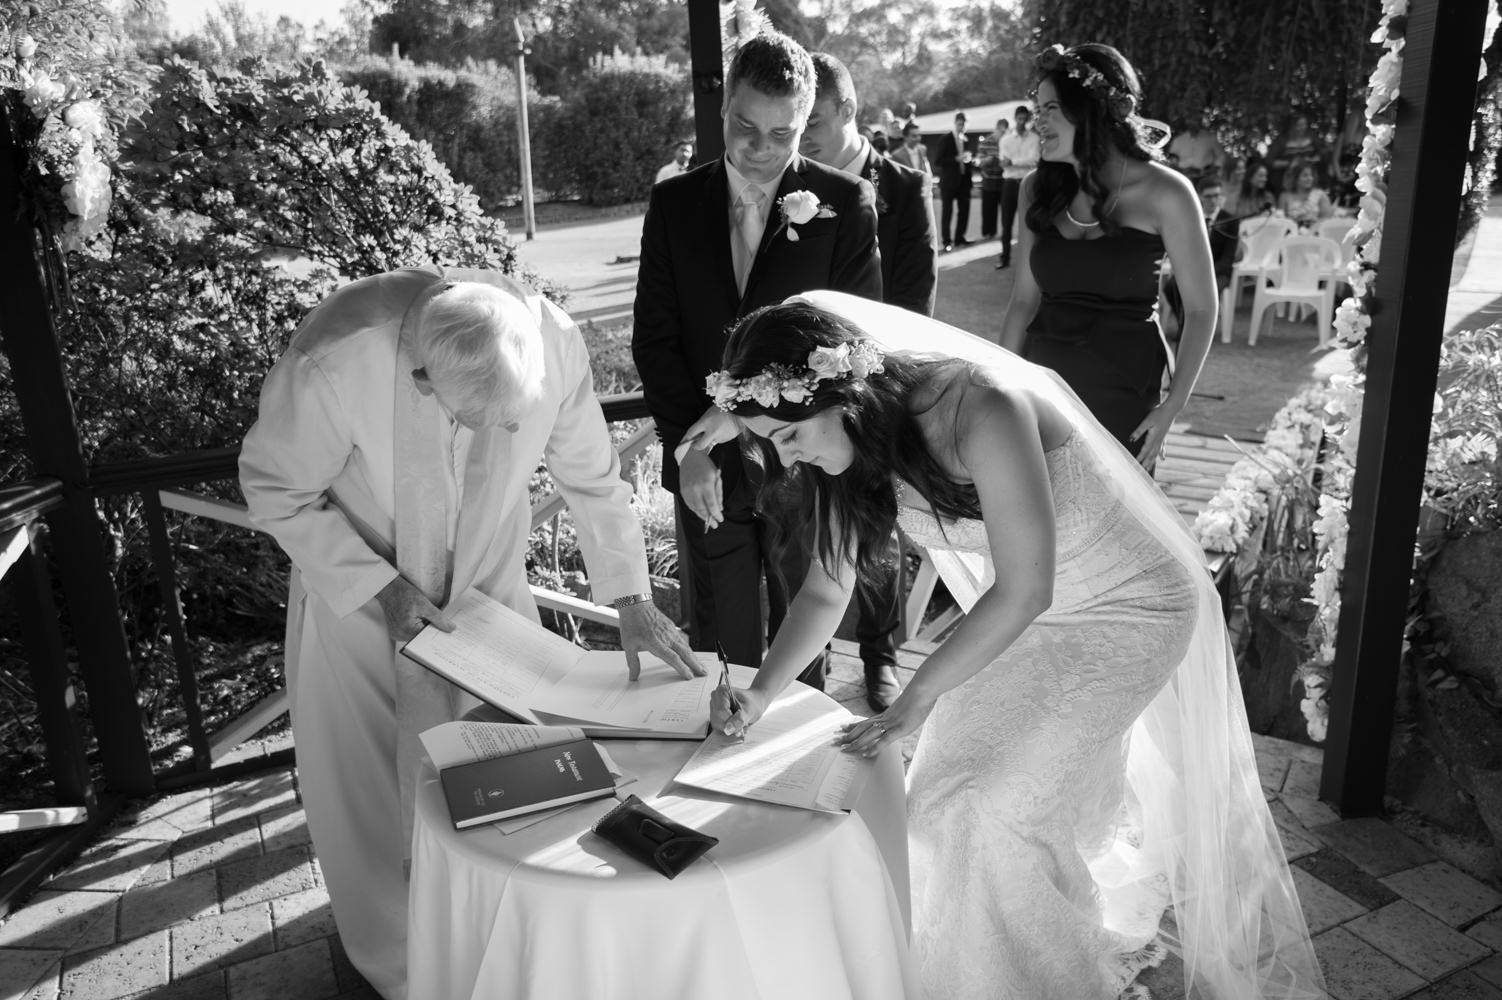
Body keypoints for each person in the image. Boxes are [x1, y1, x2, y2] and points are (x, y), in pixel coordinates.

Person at [681, 291, 1327, 1000]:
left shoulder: (980, 407)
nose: (788, 458)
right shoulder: (847, 448)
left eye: (787, 436)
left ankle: (1056, 981)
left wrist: (919, 698)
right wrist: (762, 693)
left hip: (1130, 607)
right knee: (937, 800)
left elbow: (1026, 588)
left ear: (841, 393)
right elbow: (825, 591)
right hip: (1026, 619)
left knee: (1000, 807)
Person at [240, 267, 702, 999]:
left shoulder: (553, 339)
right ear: (421, 378)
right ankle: (406, 969)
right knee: (371, 795)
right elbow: (273, 486)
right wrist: (382, 587)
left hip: (488, 593)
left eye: (508, 422)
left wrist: (630, 597)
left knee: (508, 775)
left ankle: (506, 948)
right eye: (470, 420)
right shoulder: (338, 355)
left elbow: (591, 476)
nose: (492, 436)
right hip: (359, 594)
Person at [631, 30, 881, 677]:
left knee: (806, 640)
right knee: (717, 637)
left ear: (806, 122)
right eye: (746, 126)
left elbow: (858, 343)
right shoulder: (673, 204)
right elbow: (654, 339)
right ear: (723, 111)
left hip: (804, 459)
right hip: (703, 466)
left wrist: (753, 413)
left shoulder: (844, 206)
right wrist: (689, 450)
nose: (761, 148)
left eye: (783, 133)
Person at [998, 43, 1217, 470]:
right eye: (1037, 108)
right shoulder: (1035, 191)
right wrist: (999, 386)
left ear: (1091, 110)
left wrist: (1173, 405)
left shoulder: (1167, 193)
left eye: (1051, 109)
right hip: (1040, 393)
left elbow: (1202, 307)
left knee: (1113, 529)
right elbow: (1024, 300)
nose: (1038, 121)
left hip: (1123, 397)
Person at [796, 50, 936, 708]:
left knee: (875, 523)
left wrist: (867, 385)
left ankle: (879, 655)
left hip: (875, 385)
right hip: (798, 388)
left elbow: (915, 298)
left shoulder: (904, 189)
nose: (802, 138)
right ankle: (809, 659)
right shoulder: (792, 187)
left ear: (849, 112)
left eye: (814, 122)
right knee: (803, 528)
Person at [995, 104, 1040, 269]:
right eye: (1019, 118)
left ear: (1027, 119)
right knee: (1006, 222)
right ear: (1015, 119)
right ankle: (1004, 257)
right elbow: (1003, 163)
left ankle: (1028, 260)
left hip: (1027, 183)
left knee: (1028, 222)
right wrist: (1016, 163)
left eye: (1024, 119)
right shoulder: (1005, 140)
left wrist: (1013, 162)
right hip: (1010, 183)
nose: (1021, 122)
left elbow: (1034, 161)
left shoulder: (1034, 139)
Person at [935, 111, 974, 251]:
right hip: (949, 182)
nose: (961, 126)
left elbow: (967, 160)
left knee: (964, 211)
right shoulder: (946, 138)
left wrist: (971, 161)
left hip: (964, 181)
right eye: (959, 124)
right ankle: (947, 242)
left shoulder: (966, 140)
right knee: (947, 212)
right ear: (955, 123)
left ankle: (959, 238)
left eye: (964, 124)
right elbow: (938, 160)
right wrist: (955, 159)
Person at [1266, 113, 1322, 193]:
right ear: (1292, 126)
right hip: (1289, 178)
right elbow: (1270, 161)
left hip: (1310, 177)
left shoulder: (1312, 137)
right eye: (1299, 125)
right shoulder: (1282, 141)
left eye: (1304, 124)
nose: (1302, 127)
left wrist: (1311, 159)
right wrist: (1289, 163)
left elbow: (1321, 154)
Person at [1165, 111, 1224, 180]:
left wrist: (1213, 169)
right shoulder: (1178, 140)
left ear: (1200, 123)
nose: (1194, 124)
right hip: (1183, 176)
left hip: (1205, 176)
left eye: (1196, 121)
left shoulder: (1210, 137)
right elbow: (1171, 160)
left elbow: (1221, 156)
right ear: (1187, 122)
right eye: (1191, 121)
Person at [977, 117, 1009, 241]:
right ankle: (988, 233)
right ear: (996, 129)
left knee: (1005, 209)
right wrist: (988, 160)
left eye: (1004, 132)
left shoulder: (1007, 142)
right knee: (988, 209)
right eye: (1000, 131)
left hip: (1003, 180)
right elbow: (979, 161)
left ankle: (1004, 233)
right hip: (988, 180)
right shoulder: (986, 142)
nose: (1002, 134)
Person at [1278, 159, 1334, 228]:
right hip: (1292, 235)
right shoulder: (1284, 196)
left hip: (1315, 234)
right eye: (1305, 175)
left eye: (1311, 175)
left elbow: (1326, 219)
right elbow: (1281, 221)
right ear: (1296, 178)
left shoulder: (1320, 195)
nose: (1310, 178)